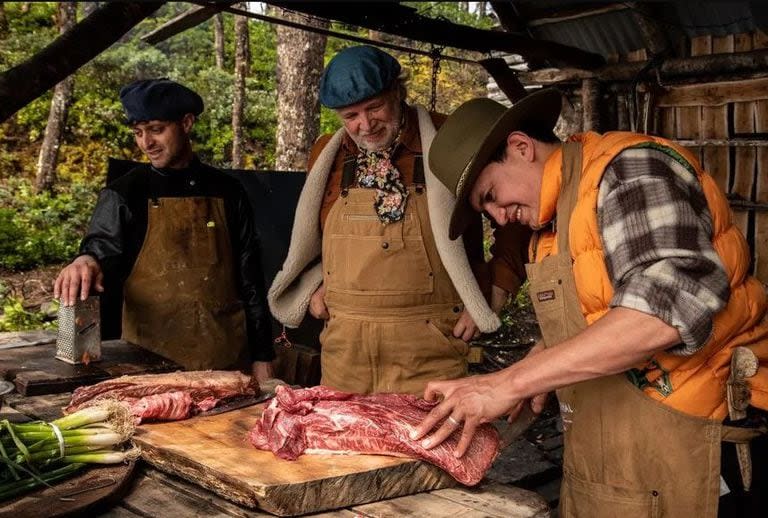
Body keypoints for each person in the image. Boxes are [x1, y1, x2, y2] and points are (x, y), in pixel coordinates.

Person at [411, 90, 768, 517]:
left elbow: (663, 313)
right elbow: (602, 312)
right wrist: (543, 363)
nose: (498, 218)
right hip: (611, 459)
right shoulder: (552, 222)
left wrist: (508, 382)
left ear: (521, 148)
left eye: (489, 195)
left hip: (694, 449)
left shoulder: (630, 170)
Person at [267, 46, 530, 395]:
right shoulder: (327, 154)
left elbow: (515, 217)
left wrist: (496, 290)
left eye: (374, 107)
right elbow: (313, 239)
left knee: (430, 444)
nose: (365, 125)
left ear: (398, 91)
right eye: (351, 116)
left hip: (430, 347)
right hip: (347, 352)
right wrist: (315, 285)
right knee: (346, 444)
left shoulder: (447, 137)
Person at [53, 78, 275, 380]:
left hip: (226, 363)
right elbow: (100, 249)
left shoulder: (228, 191)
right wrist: (84, 261)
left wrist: (262, 355)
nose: (147, 143)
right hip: (148, 367)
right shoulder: (125, 193)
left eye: (157, 129)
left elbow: (251, 280)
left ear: (186, 123)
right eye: (138, 133)